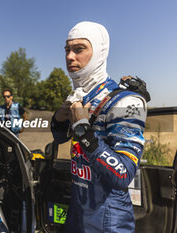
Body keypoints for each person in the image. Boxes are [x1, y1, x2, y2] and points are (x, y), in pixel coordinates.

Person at [51, 21, 148, 232]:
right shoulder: (79, 96)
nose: (69, 57)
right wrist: (59, 118)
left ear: (99, 52)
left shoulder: (127, 102)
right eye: (67, 50)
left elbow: (123, 175)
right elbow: (59, 139)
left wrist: (83, 131)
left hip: (109, 219)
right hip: (77, 210)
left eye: (79, 49)